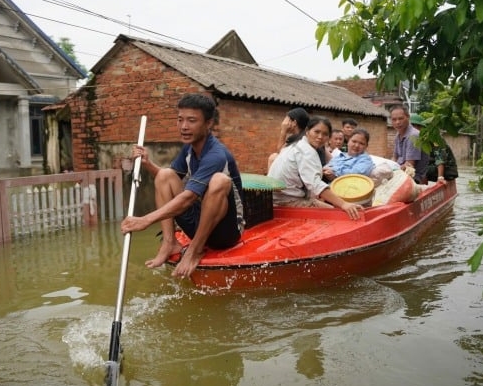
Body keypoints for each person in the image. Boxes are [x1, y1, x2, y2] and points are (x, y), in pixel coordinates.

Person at [120, 93, 244, 278]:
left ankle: (195, 250)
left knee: (219, 180)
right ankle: (169, 242)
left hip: (225, 230)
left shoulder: (217, 154)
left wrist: (145, 220)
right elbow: (167, 182)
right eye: (180, 120)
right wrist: (148, 163)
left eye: (192, 121)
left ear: (208, 124)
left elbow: (188, 198)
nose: (184, 127)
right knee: (165, 174)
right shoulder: (189, 148)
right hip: (200, 220)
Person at [267, 116, 363, 219]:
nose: (320, 137)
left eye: (325, 134)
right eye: (316, 132)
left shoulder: (297, 145)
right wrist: (344, 204)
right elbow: (316, 184)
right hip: (285, 202)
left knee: (333, 206)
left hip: (279, 198)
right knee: (339, 215)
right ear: (307, 131)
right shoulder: (306, 152)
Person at [390, 105, 428, 184]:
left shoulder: (413, 135)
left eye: (400, 118)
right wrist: (389, 167)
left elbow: (409, 165)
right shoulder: (398, 135)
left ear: (408, 117)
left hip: (414, 177)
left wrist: (392, 171)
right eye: (394, 119)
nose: (397, 122)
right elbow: (394, 157)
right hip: (400, 172)